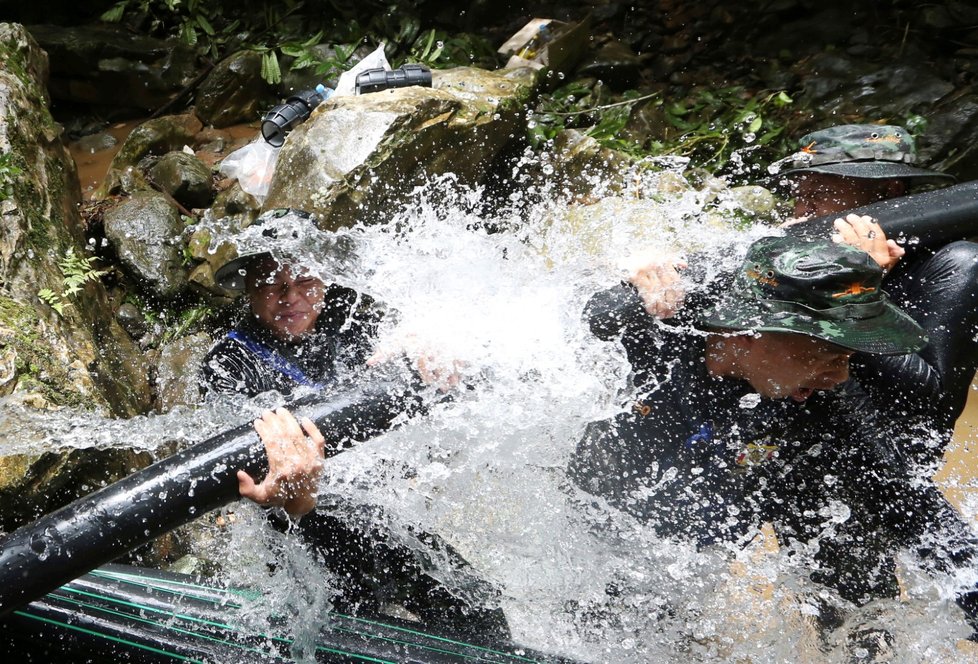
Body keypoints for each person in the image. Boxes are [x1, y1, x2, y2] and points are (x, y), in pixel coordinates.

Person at [569, 233, 978, 646]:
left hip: (698, 539)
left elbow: (911, 504)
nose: (838, 376)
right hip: (594, 529)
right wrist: (627, 272)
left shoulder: (825, 397)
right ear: (752, 331)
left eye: (847, 358)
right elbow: (546, 324)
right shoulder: (650, 325)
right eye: (829, 355)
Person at [199, 208, 507, 639]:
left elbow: (427, 324)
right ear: (249, 287)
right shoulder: (229, 361)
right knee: (346, 631)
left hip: (380, 510)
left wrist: (427, 336)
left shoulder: (350, 316)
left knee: (483, 615)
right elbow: (234, 459)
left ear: (324, 280)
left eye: (304, 279)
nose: (290, 296)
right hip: (297, 519)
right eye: (272, 282)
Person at [771, 123, 978, 468]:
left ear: (887, 192)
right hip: (786, 452)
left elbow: (930, 406)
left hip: (880, 463)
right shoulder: (799, 260)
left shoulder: (957, 264)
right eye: (799, 195)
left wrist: (855, 291)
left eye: (817, 194)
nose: (801, 210)